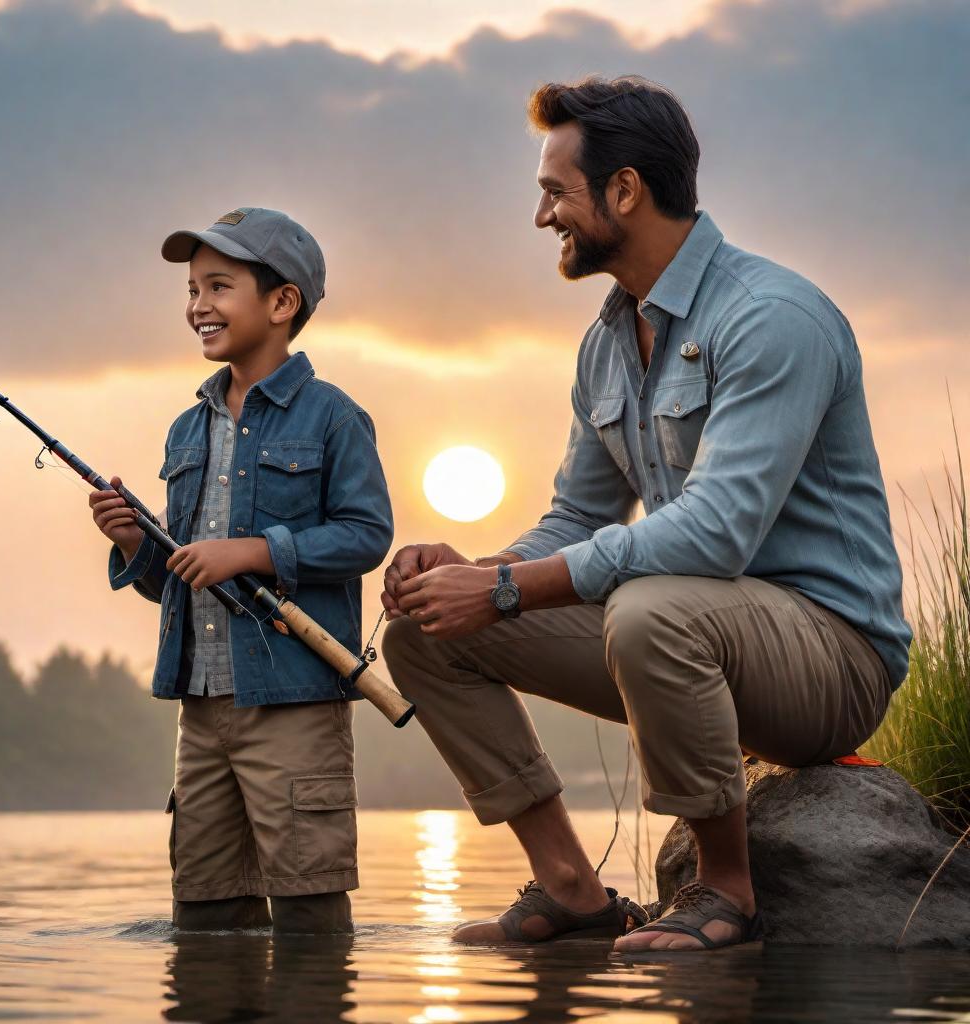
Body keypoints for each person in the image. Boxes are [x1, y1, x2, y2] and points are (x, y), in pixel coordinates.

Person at [380, 77, 911, 952]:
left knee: (651, 606)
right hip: (691, 635)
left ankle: (725, 893)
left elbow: (714, 533)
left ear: (625, 190)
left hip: (832, 661)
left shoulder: (772, 317)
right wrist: (474, 575)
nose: (541, 217)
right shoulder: (606, 342)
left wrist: (508, 588)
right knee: (424, 633)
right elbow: (575, 517)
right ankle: (571, 890)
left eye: (556, 193)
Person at [89, 207, 393, 934]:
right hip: (200, 710)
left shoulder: (332, 417)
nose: (198, 305)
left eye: (219, 287)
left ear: (282, 303)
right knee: (203, 914)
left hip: (294, 704)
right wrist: (135, 545)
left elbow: (366, 534)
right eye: (192, 290)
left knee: (310, 914)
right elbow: (184, 579)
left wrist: (256, 550)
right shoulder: (184, 429)